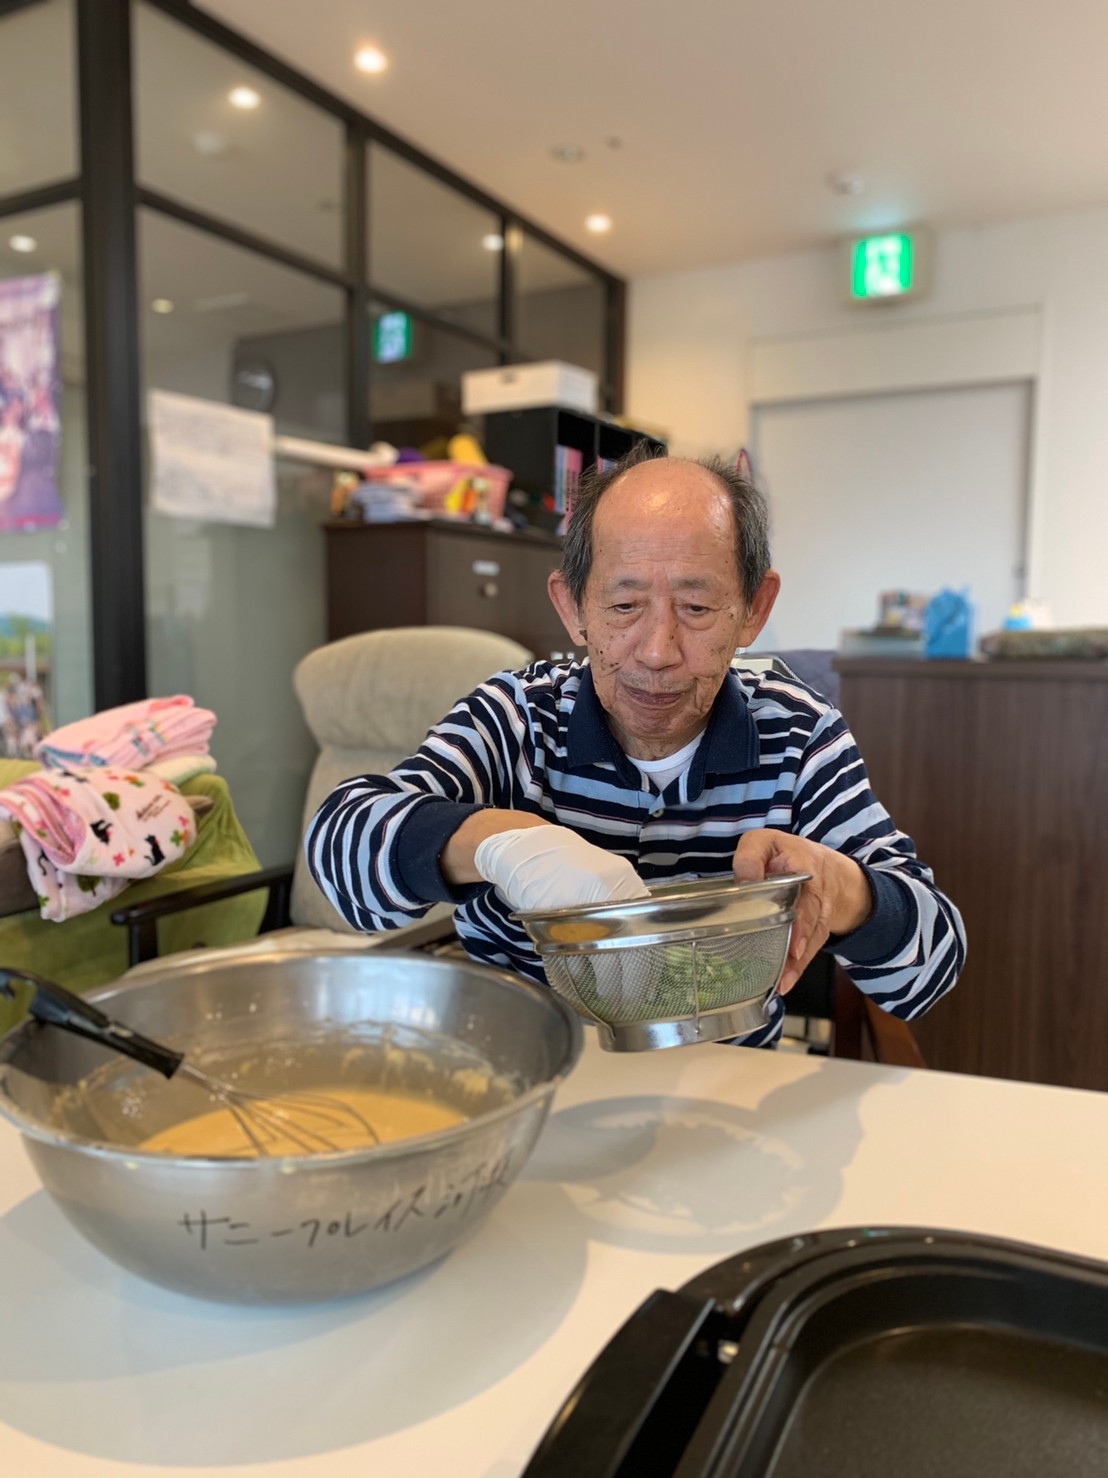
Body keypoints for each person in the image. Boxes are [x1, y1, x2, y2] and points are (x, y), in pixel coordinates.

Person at [307, 444, 965, 1045]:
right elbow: (341, 848)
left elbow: (932, 971)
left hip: (726, 1085)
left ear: (754, 610)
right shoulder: (517, 718)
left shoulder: (799, 735)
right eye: (624, 607)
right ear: (573, 608)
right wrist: (502, 844)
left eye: (697, 609)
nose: (657, 652)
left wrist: (846, 892)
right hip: (534, 1074)